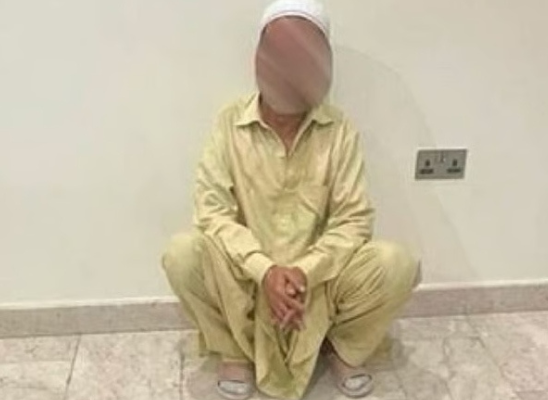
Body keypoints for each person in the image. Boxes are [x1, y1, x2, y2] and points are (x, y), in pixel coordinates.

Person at [162, 1, 420, 398]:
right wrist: (265, 270)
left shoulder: (339, 130)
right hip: (244, 280)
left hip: (318, 284)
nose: (290, 70)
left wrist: (303, 272)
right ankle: (234, 351)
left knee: (396, 263)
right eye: (280, 56)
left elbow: (353, 220)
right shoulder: (229, 123)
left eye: (303, 58)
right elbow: (213, 212)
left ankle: (341, 348)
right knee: (183, 254)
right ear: (259, 60)